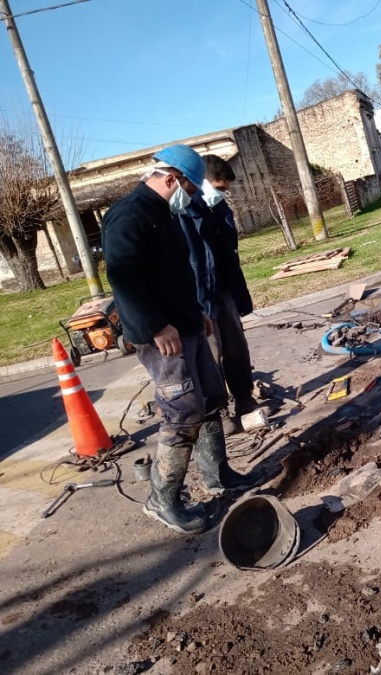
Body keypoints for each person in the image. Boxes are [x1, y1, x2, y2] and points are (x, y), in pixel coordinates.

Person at [101, 144, 257, 535]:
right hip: (161, 336)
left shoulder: (164, 214)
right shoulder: (129, 214)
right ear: (172, 178)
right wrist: (156, 325)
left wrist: (196, 313)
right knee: (182, 412)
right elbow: (123, 278)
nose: (191, 195)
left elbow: (177, 274)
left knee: (210, 398)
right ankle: (162, 500)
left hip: (187, 324)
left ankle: (217, 475)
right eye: (189, 187)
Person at [179, 154, 257, 435]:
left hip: (224, 291)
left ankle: (244, 399)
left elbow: (229, 255)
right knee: (211, 356)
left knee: (237, 348)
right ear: (202, 183)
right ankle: (218, 411)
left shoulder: (220, 209)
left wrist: (238, 296)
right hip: (200, 296)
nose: (223, 194)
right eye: (219, 188)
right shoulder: (184, 212)